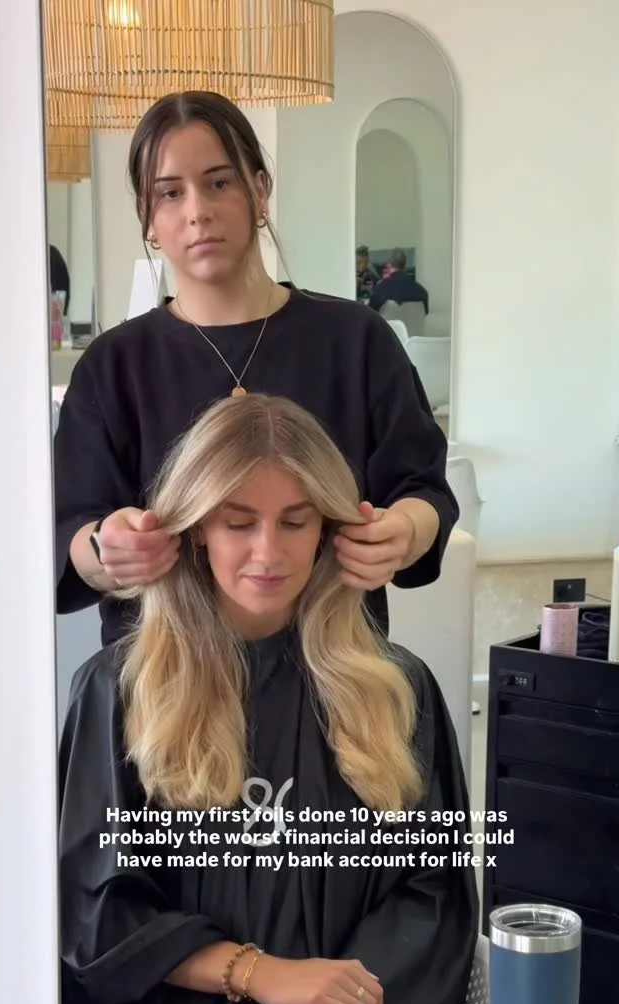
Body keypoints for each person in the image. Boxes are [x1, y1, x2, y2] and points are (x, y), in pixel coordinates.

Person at [59, 394, 479, 1004]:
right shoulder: (121, 690)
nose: (268, 552)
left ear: (328, 529)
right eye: (238, 522)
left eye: (295, 521)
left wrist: (334, 1001)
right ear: (197, 531)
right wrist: (265, 975)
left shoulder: (395, 689)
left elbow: (432, 892)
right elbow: (95, 911)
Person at [53, 90, 458, 649]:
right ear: (150, 219)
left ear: (260, 191)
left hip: (334, 669)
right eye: (170, 193)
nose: (197, 211)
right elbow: (70, 531)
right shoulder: (113, 366)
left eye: (219, 182)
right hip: (163, 676)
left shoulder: (355, 341)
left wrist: (404, 531)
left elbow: (424, 490)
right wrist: (107, 549)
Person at [369, 248, 430, 315]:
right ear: (404, 265)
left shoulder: (381, 289)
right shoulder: (422, 292)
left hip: (387, 322)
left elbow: (370, 313)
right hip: (414, 322)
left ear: (389, 264)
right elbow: (425, 313)